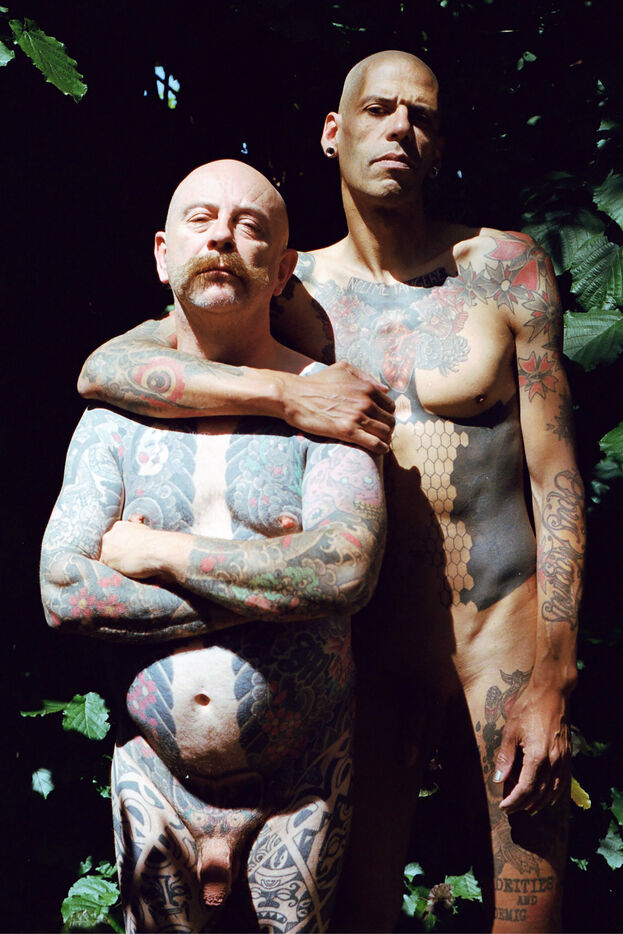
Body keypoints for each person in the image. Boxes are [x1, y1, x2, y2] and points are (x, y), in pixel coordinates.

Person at [77, 52, 586, 932]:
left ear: (438, 146)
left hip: (499, 642)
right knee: (357, 917)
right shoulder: (289, 288)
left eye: (421, 117)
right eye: (378, 109)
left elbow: (556, 474)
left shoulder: (503, 268)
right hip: (367, 656)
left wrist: (554, 673)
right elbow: (106, 369)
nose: (399, 130)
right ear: (331, 133)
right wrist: (287, 393)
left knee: (529, 913)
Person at [40, 160, 386, 933]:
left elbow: (343, 572)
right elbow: (63, 591)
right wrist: (276, 588)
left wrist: (158, 551)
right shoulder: (114, 415)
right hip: (154, 778)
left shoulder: (328, 405)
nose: (223, 236)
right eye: (200, 220)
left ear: (283, 271)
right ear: (162, 255)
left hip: (301, 782)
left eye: (249, 225)